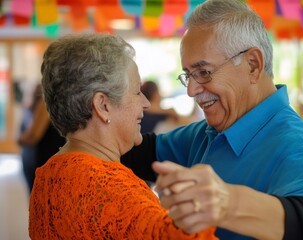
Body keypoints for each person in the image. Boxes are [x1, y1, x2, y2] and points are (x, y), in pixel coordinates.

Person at [122, 0, 303, 239]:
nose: (191, 90)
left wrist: (226, 203)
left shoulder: (295, 145)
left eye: (204, 72)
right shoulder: (206, 133)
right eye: (188, 75)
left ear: (252, 65)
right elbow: (134, 152)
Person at [28, 33, 217, 240]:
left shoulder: (47, 176)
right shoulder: (111, 188)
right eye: (137, 91)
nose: (145, 103)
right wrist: (201, 205)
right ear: (103, 105)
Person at [17, 83, 65, 193]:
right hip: (47, 156)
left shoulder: (46, 104)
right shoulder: (63, 104)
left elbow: (34, 135)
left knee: (39, 195)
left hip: (42, 158)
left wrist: (20, 140)